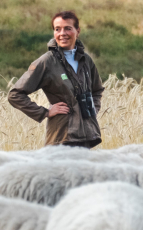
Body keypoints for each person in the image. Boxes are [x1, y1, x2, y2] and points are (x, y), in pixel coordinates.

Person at [8, 10, 104, 148]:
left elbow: (97, 90)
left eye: (67, 28)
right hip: (61, 138)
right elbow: (15, 95)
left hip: (87, 136)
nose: (62, 33)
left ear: (77, 31)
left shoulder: (86, 60)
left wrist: (92, 108)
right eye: (57, 29)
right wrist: (45, 112)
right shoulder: (46, 62)